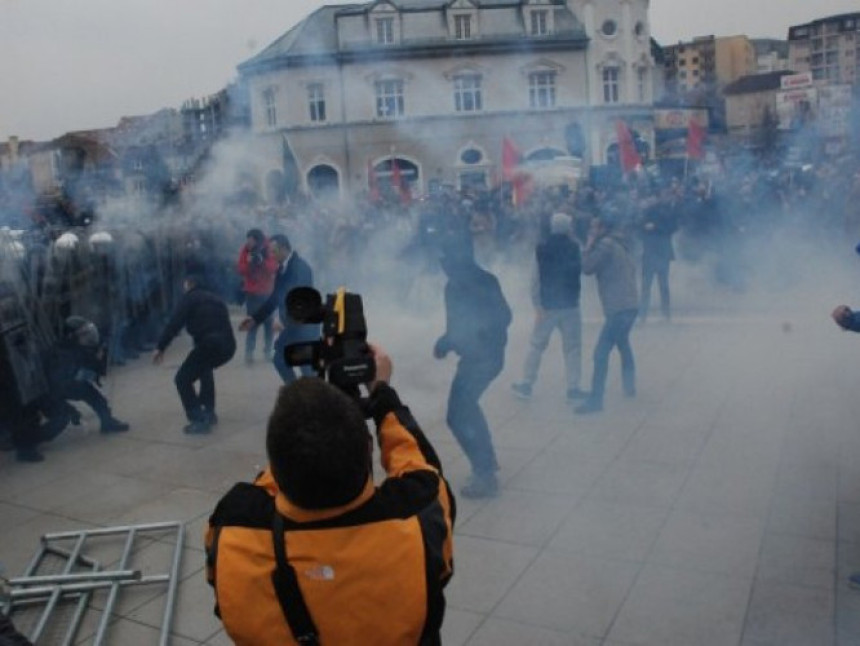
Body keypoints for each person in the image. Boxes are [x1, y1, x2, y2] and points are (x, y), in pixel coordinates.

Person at [205, 345, 455, 645]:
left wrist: (303, 427)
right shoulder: (418, 517)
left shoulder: (232, 527)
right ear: (368, 451)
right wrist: (382, 394)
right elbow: (420, 465)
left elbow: (273, 479)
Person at [434, 238, 511, 498]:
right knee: (465, 410)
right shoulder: (458, 284)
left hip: (484, 358)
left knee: (459, 413)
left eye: (445, 261)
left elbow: (504, 316)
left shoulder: (475, 283)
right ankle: (486, 462)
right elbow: (457, 325)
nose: (442, 266)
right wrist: (448, 341)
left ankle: (485, 473)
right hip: (478, 357)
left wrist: (480, 334)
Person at [511, 212, 586, 403]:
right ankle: (573, 388)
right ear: (568, 228)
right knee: (573, 348)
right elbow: (582, 268)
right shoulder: (575, 247)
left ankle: (526, 384)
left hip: (548, 306)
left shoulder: (541, 249)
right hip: (570, 305)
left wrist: (537, 305)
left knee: (536, 345)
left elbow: (535, 280)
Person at [153, 274, 236, 434]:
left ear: (190, 284)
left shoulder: (190, 298)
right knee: (205, 369)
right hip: (228, 347)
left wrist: (160, 347)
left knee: (182, 379)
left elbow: (175, 323)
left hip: (209, 343)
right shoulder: (216, 299)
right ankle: (208, 411)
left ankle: (199, 419)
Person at [575, 213, 639, 415]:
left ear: (603, 228)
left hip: (618, 307)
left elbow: (586, 268)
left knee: (600, 354)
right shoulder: (621, 243)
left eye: (594, 227)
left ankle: (596, 400)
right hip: (630, 303)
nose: (591, 231)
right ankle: (629, 386)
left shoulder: (606, 246)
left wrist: (588, 244)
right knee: (623, 344)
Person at [239, 234, 318, 384]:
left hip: (305, 327)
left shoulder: (300, 268)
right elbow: (275, 298)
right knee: (280, 360)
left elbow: (300, 299)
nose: (271, 255)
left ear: (284, 249)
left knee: (306, 369)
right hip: (292, 326)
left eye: (274, 252)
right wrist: (255, 319)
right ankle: (297, 393)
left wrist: (283, 319)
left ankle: (314, 400)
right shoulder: (282, 268)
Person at [44, 316, 130, 435]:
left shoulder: (77, 348)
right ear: (71, 336)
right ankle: (26, 443)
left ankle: (107, 422)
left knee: (96, 398)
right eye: (83, 335)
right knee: (61, 419)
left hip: (68, 385)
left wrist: (102, 354)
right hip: (51, 392)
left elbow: (100, 370)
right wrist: (68, 408)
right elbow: (60, 382)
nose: (88, 338)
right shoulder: (61, 353)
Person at [237, 228, 277, 365]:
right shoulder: (246, 250)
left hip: (267, 291)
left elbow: (274, 267)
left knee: (268, 324)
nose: (248, 243)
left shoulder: (269, 248)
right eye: (247, 240)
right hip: (252, 292)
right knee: (252, 322)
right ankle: (249, 353)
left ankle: (268, 351)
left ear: (257, 240)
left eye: (251, 240)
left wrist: (262, 262)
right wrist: (249, 263)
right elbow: (240, 269)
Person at [638, 188, 679, 322]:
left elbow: (672, 228)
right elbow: (639, 227)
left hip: (661, 251)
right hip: (651, 250)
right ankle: (643, 315)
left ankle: (666, 314)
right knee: (646, 285)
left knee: (663, 285)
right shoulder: (649, 211)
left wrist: (655, 227)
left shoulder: (671, 212)